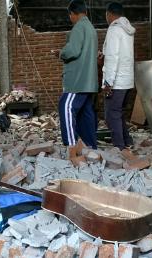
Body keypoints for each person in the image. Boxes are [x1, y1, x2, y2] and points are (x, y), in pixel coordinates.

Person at [52, 0, 98, 160]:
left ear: (73, 13)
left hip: (78, 80)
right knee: (86, 113)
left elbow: (73, 50)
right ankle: (90, 146)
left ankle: (72, 146)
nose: (70, 18)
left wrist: (60, 53)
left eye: (70, 15)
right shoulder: (91, 28)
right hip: (89, 80)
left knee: (65, 105)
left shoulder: (79, 27)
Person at [101, 2, 135, 150]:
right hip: (127, 80)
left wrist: (108, 82)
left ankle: (119, 147)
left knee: (111, 115)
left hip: (117, 81)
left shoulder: (114, 29)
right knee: (119, 113)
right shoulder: (127, 29)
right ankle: (127, 141)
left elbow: (113, 57)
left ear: (109, 14)